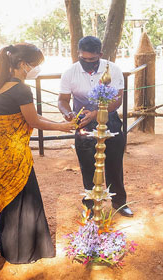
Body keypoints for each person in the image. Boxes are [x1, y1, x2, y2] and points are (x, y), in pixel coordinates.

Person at [0, 43, 74, 264]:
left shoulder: (3, 84)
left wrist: (58, 124)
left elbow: (30, 119)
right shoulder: (21, 89)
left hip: (0, 151)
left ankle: (12, 249)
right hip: (13, 153)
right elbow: (34, 121)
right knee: (23, 198)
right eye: (35, 65)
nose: (37, 69)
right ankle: (23, 251)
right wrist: (62, 127)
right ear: (23, 64)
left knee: (10, 198)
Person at [58, 36, 133, 217]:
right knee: (87, 165)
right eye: (83, 59)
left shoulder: (112, 70)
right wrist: (68, 114)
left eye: (92, 59)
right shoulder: (70, 72)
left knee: (114, 163)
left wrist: (97, 114)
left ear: (100, 54)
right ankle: (90, 205)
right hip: (83, 122)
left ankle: (119, 202)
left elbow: (117, 100)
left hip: (110, 121)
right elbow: (63, 100)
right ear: (78, 54)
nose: (87, 63)